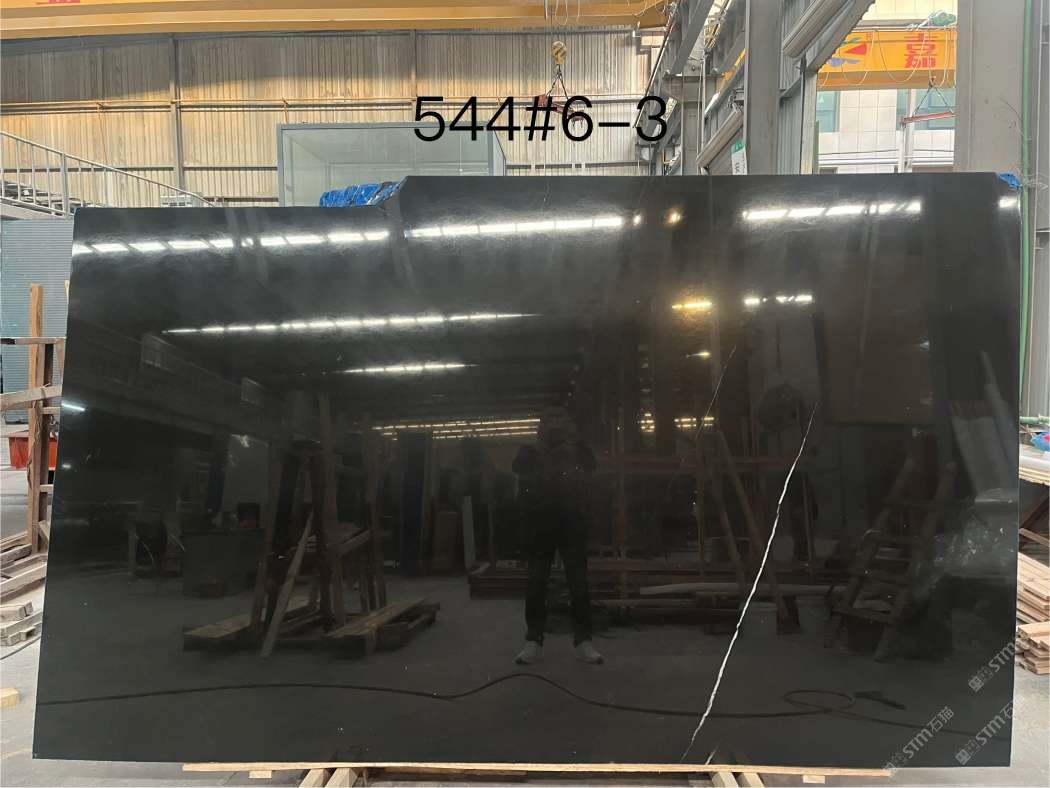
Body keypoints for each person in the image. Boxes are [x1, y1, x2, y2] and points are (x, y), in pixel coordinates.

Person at [512, 407, 603, 665]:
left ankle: (583, 641)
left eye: (560, 419)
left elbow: (591, 466)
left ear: (568, 424)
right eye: (549, 420)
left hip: (571, 522)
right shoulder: (530, 451)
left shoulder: (578, 450)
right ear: (541, 426)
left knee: (578, 583)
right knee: (536, 583)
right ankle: (533, 640)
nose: (555, 424)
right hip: (540, 524)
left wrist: (572, 443)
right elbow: (518, 467)